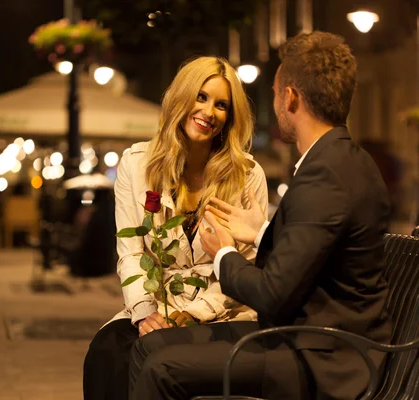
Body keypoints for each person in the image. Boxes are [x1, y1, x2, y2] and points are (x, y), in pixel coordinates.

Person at [128, 31, 392, 400]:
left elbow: (271, 295)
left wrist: (223, 253)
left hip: (324, 358)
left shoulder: (325, 174)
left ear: (290, 97)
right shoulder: (342, 161)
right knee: (150, 348)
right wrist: (261, 232)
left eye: (273, 92)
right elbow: (316, 252)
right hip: (314, 341)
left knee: (162, 368)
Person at [83, 56, 269, 400]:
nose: (209, 112)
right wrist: (145, 314)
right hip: (154, 306)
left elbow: (247, 267)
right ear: (180, 98)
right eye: (201, 97)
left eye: (222, 105)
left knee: (164, 358)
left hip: (225, 312)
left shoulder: (248, 175)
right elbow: (130, 254)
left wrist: (192, 314)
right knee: (107, 352)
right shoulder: (137, 164)